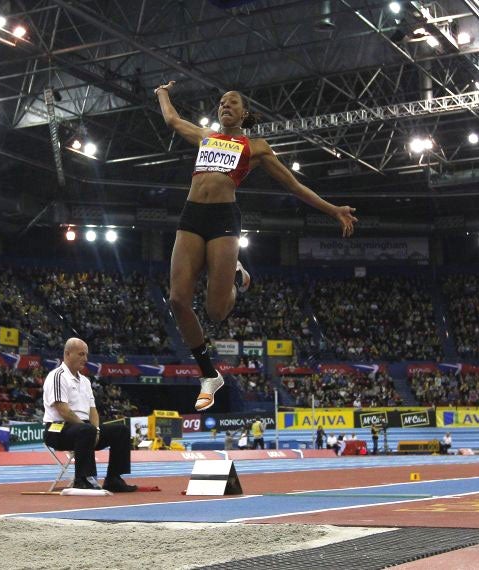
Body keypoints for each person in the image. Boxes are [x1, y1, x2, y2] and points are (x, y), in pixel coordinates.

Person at [156, 82, 358, 411]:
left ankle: (236, 276)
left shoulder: (256, 147)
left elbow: (294, 186)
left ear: (244, 113)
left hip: (223, 219)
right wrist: (161, 93)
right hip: (191, 214)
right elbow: (173, 121)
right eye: (221, 102)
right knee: (178, 300)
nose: (225, 105)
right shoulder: (207, 137)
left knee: (215, 312)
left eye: (232, 102)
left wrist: (332, 209)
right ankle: (209, 375)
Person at [42, 338, 136, 492]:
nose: (85, 359)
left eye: (86, 355)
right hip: (57, 429)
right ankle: (83, 479)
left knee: (121, 431)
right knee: (86, 430)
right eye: (81, 354)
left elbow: (93, 410)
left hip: (83, 429)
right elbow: (63, 410)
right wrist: (89, 428)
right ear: (67, 354)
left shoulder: (85, 381)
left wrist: (97, 430)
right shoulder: (57, 376)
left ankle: (114, 478)